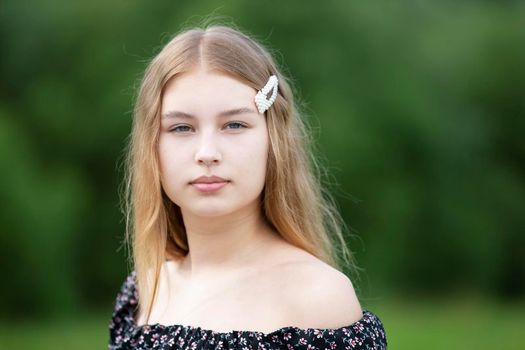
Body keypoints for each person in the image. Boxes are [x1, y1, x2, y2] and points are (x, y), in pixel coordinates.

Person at [108, 23, 387, 349]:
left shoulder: (317, 298)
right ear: (150, 146)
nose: (207, 153)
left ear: (274, 139)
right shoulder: (144, 291)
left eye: (235, 124)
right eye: (182, 127)